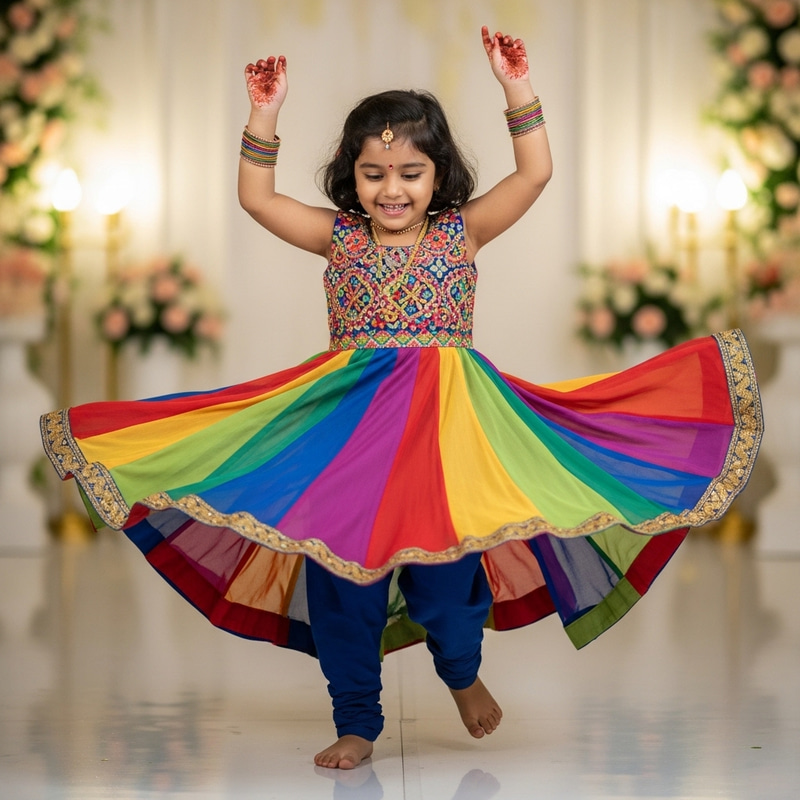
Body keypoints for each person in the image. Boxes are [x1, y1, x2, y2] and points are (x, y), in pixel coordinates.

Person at [40, 27, 763, 772]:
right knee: (341, 584)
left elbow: (536, 172)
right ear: (350, 178)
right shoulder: (339, 239)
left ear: (439, 175)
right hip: (346, 436)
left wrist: (516, 86)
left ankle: (461, 670)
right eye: (374, 172)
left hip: (445, 439)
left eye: (411, 173)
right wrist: (264, 113)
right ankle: (357, 719)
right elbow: (255, 199)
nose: (392, 189)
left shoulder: (462, 233)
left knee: (449, 591)